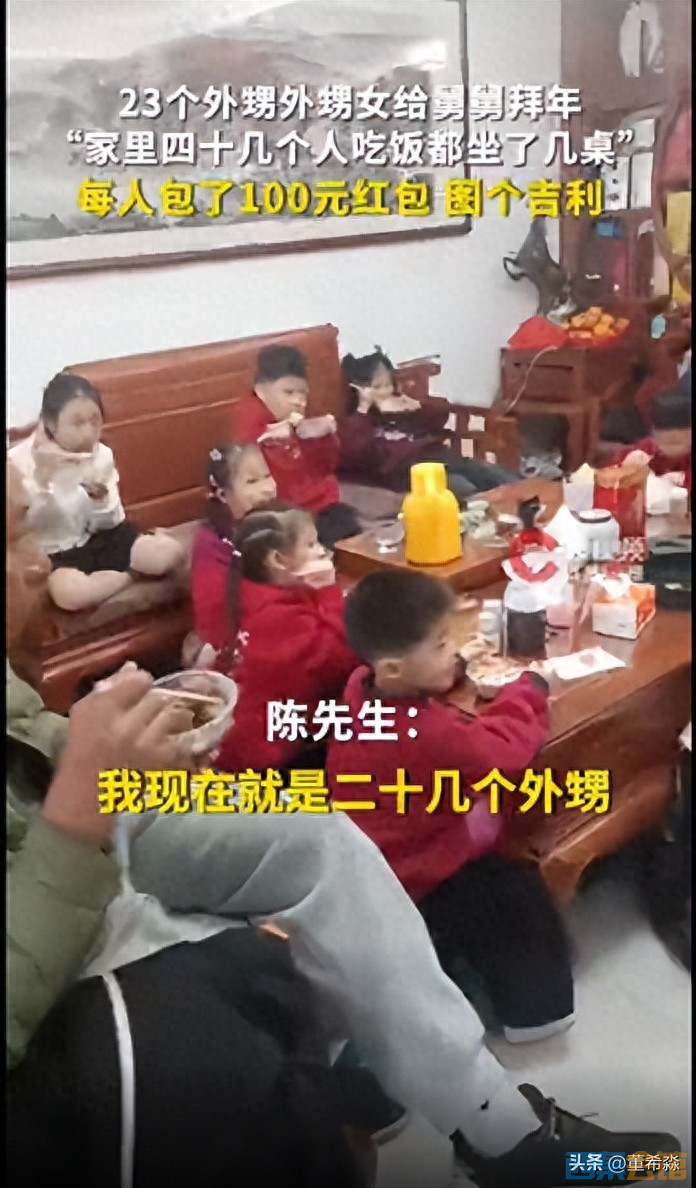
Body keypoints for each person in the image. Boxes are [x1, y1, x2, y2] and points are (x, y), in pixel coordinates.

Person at [5, 462, 680, 1186]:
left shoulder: (368, 691)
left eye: (28, 530)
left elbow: (33, 741)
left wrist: (112, 752)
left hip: (87, 824)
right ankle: (363, 1084)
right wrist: (76, 816)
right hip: (58, 876)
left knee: (321, 837)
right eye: (12, 539)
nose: (39, 561)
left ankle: (500, 1130)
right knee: (235, 1006)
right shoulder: (419, 723)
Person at [327, 569, 576, 1046]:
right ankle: (537, 1017)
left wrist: (452, 671)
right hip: (416, 876)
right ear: (395, 668)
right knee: (517, 893)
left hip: (373, 852)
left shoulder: (360, 685)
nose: (453, 652)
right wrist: (528, 691)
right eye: (441, 646)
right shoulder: (430, 733)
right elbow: (502, 756)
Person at [9, 372, 185, 611]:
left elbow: (112, 522)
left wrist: (101, 500)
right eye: (77, 423)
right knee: (70, 595)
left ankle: (119, 572)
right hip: (56, 552)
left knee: (168, 555)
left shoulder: (101, 455)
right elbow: (23, 527)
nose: (88, 432)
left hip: (103, 538)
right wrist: (43, 481)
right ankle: (128, 577)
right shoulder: (18, 462)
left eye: (95, 421)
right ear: (50, 423)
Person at [215, 505, 356, 773]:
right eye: (311, 544)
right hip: (267, 757)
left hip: (250, 733)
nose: (322, 551)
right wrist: (329, 590)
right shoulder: (279, 620)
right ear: (278, 560)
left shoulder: (250, 593)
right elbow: (343, 660)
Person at [338, 348, 517, 503]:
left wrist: (416, 405)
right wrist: (364, 407)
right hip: (411, 473)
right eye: (377, 387)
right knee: (464, 489)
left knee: (494, 474)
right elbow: (354, 450)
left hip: (441, 457)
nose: (385, 392)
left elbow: (440, 418)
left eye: (387, 385)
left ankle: (527, 506)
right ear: (358, 389)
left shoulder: (402, 407)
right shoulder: (357, 421)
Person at [230, 344, 361, 550]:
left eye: (302, 394)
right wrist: (277, 436)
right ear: (261, 390)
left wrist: (323, 436)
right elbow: (250, 466)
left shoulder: (295, 417)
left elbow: (324, 467)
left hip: (320, 505)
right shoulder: (250, 419)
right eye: (288, 392)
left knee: (350, 530)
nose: (297, 401)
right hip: (285, 514)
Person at [191, 443, 277, 652]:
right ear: (222, 494)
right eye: (252, 481)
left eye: (267, 476)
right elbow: (217, 616)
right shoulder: (212, 544)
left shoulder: (277, 520)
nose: (267, 488)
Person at [614, 388, 691, 494]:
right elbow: (614, 476)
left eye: (681, 426)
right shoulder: (645, 449)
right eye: (664, 427)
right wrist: (628, 467)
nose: (673, 434)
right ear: (653, 432)